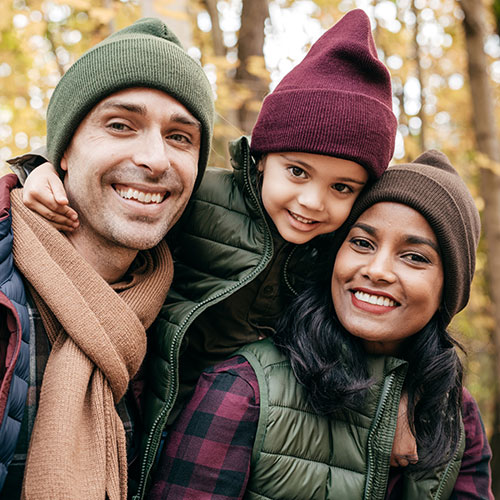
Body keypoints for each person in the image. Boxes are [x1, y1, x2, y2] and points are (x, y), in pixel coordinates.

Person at [10, 9, 411, 496]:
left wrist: (401, 398)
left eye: (342, 187)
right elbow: (99, 193)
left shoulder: (336, 251)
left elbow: (386, 314)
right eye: (298, 172)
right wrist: (35, 173)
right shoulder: (201, 205)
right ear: (261, 159)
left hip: (213, 451)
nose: (311, 202)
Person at [149, 150, 493, 499]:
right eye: (362, 242)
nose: (376, 270)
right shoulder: (244, 390)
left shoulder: (455, 413)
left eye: (415, 257)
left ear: (449, 288)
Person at [0, 17, 214, 499]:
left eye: (181, 137)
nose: (156, 159)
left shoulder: (193, 306)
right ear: (64, 153)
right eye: (121, 126)